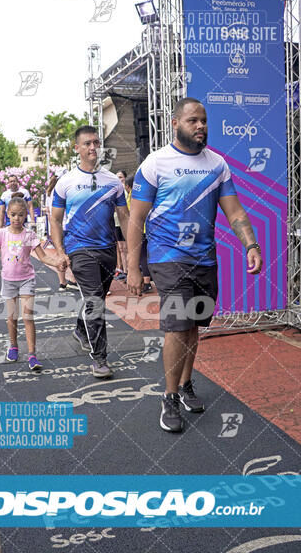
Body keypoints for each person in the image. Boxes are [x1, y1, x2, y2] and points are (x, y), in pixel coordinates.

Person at [127, 97, 263, 433]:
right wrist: (133, 266)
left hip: (204, 257)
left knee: (193, 326)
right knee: (177, 324)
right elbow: (136, 218)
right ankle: (170, 396)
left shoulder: (217, 165)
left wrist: (251, 243)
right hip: (167, 257)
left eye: (203, 120)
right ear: (176, 123)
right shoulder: (155, 163)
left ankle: (186, 384)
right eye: (193, 121)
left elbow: (234, 211)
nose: (200, 126)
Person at [51, 125, 130, 379]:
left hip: (107, 249)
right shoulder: (65, 182)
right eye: (87, 143)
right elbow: (55, 220)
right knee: (95, 300)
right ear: (77, 149)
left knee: (95, 298)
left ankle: (80, 329)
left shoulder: (112, 182)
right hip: (79, 249)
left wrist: (135, 250)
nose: (93, 147)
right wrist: (61, 251)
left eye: (96, 142)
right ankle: (99, 359)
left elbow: (124, 216)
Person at [0, 194, 66, 370]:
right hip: (8, 280)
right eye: (13, 214)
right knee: (12, 317)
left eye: (21, 214)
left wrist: (58, 262)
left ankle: (32, 355)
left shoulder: (29, 235)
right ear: (7, 214)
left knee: (28, 316)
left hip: (26, 280)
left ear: (25, 216)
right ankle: (13, 346)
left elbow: (44, 257)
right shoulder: (1, 234)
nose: (17, 218)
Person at [44, 171, 79, 292]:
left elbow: (48, 212)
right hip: (66, 226)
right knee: (73, 254)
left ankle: (62, 283)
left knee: (60, 255)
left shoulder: (49, 192)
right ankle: (73, 280)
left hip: (54, 227)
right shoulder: (63, 190)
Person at [113, 169, 128, 281]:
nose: (119, 179)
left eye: (121, 177)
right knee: (120, 248)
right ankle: (122, 270)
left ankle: (129, 270)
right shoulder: (115, 191)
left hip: (124, 222)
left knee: (126, 248)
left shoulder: (126, 191)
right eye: (117, 177)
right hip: (116, 222)